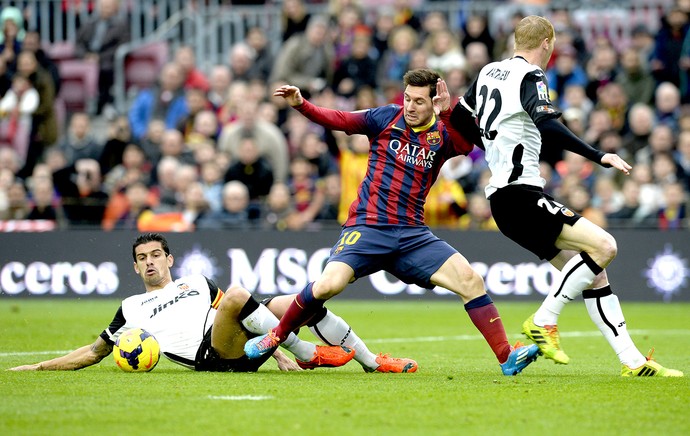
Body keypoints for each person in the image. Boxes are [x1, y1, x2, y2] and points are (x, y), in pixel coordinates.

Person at [243, 69, 540, 376]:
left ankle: (506, 356)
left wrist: (449, 111)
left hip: (412, 235)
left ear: (433, 103)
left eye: (419, 101)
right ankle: (275, 336)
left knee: (470, 281)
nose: (410, 106)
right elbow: (341, 120)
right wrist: (301, 104)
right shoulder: (385, 117)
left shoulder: (442, 133)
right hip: (367, 227)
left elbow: (466, 145)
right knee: (328, 284)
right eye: (407, 98)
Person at [450, 15, 683, 377]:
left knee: (594, 276)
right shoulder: (531, 75)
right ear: (547, 43)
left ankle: (633, 361)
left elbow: (461, 119)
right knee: (605, 247)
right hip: (520, 195)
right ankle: (544, 320)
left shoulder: (487, 72)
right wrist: (598, 154)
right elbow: (547, 124)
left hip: (504, 199)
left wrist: (494, 146)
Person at [9, 233, 416, 373]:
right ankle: (307, 351)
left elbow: (247, 314)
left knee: (304, 300)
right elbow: (95, 352)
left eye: (155, 256)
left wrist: (276, 356)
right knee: (239, 294)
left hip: (247, 344)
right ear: (135, 268)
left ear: (169, 260)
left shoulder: (197, 282)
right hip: (212, 355)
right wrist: (41, 365)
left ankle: (372, 362)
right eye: (141, 259)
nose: (149, 263)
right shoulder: (131, 307)